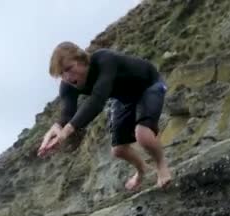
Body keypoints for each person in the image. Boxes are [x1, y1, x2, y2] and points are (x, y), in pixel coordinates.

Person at [37, 41, 172, 191]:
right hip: (125, 98)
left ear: (82, 60)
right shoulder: (68, 85)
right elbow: (67, 114)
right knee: (119, 150)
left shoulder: (104, 60)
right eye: (61, 73)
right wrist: (54, 130)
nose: (67, 77)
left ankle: (161, 166)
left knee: (143, 135)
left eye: (69, 68)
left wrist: (66, 132)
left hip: (149, 85)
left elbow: (98, 100)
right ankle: (141, 171)